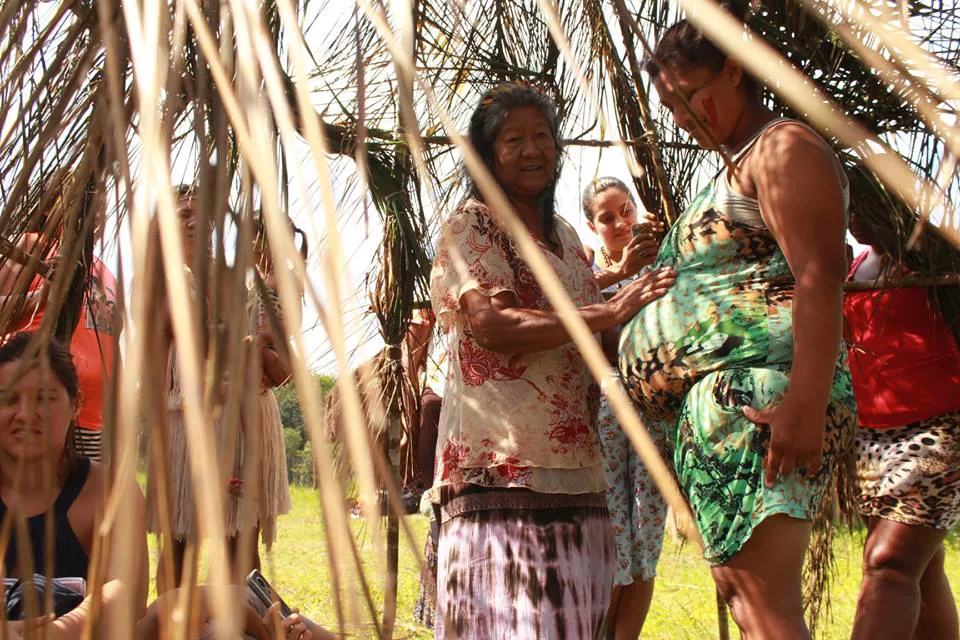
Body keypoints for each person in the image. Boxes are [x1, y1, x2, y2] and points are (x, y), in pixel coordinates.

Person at [619, 13, 856, 639]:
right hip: (727, 416)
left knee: (766, 613)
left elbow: (820, 272)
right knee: (751, 609)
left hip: (766, 407)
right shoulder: (735, 163)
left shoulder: (783, 148)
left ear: (733, 70)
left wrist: (803, 403)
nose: (683, 115)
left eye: (691, 95)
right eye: (670, 106)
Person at [428, 82, 675, 639]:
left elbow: (595, 344)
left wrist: (668, 320)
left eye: (543, 135)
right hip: (503, 472)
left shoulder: (565, 236)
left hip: (579, 475)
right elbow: (493, 327)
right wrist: (611, 310)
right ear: (488, 153)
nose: (532, 149)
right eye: (513, 139)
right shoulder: (475, 225)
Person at [844, 213, 960, 640]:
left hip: (939, 429)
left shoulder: (933, 256)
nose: (853, 218)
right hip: (873, 437)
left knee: (888, 564)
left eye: (861, 207)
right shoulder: (857, 264)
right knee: (920, 569)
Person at [0, 332, 147, 638]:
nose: (25, 415)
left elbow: (124, 596)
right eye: (8, 399)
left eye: (44, 398)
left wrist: (55, 632)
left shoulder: (111, 494)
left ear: (76, 402)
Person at [582, 177, 666, 639]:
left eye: (625, 211)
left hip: (655, 409)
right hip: (610, 409)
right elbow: (599, 335)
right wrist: (620, 281)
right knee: (613, 538)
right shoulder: (589, 273)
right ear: (592, 226)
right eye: (607, 217)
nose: (620, 223)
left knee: (646, 535)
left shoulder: (659, 261)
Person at [0, 179, 119, 463]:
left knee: (84, 501)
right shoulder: (30, 247)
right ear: (51, 207)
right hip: (34, 414)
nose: (97, 207)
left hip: (93, 423)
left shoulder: (104, 271)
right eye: (88, 196)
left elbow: (112, 347)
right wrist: (43, 297)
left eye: (102, 202)